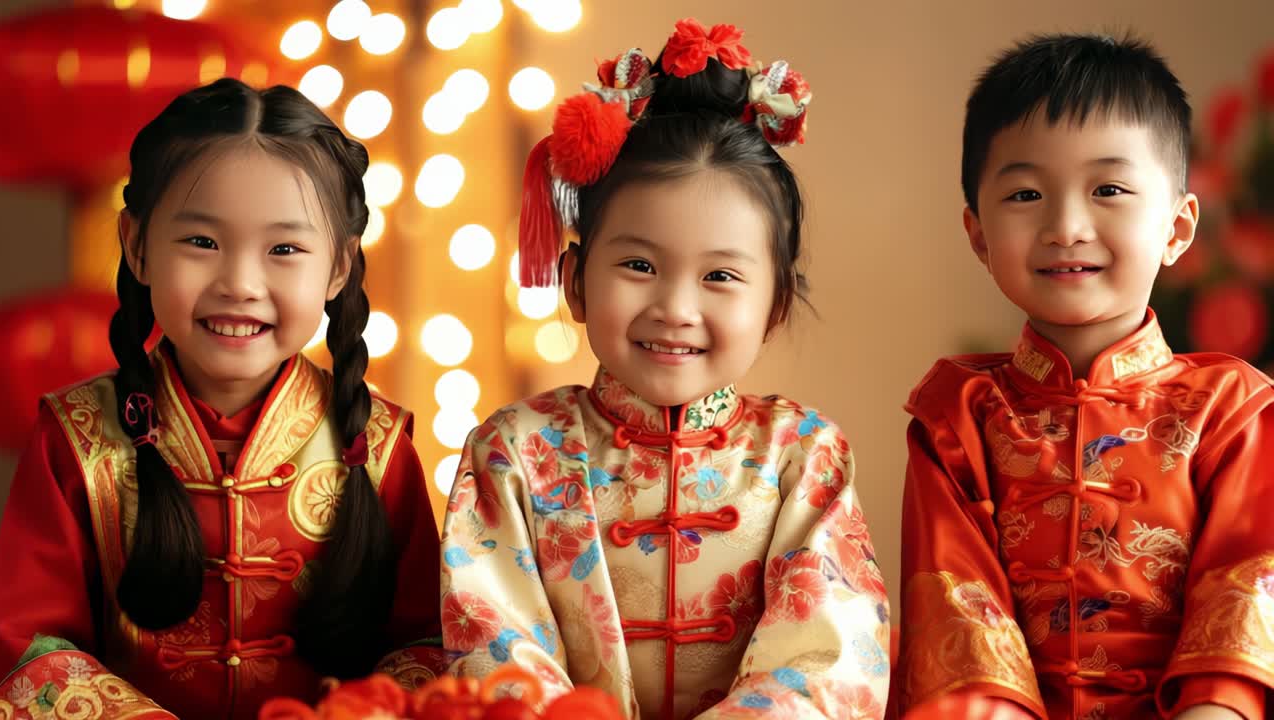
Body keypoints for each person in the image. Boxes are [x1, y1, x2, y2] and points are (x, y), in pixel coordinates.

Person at [439, 18, 889, 720]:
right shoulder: (514, 450)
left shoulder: (804, 454)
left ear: (775, 304)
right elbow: (496, 646)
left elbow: (829, 656)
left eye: (720, 275)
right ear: (576, 283)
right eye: (640, 265)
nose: (676, 308)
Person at [0, 78, 442, 720]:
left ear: (340, 267)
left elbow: (428, 645)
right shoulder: (75, 437)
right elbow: (23, 648)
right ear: (137, 245)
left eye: (284, 249)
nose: (239, 283)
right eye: (201, 242)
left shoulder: (378, 445)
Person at [897, 34, 1274, 720]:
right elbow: (958, 621)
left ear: (1178, 227)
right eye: (1025, 193)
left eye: (1109, 188)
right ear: (978, 234)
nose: (1066, 225)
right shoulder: (957, 418)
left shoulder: (1233, 410)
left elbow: (1245, 600)